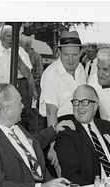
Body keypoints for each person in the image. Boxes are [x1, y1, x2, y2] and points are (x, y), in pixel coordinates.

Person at [0, 83, 75, 187]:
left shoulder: (15, 126)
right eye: (19, 103)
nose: (23, 106)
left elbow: (31, 145)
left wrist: (54, 129)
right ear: (6, 110)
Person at [54, 85, 110, 186]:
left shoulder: (108, 127)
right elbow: (71, 175)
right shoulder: (67, 133)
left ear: (95, 106)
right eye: (75, 102)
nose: (79, 107)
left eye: (85, 102)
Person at [39, 30, 86, 177]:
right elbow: (50, 113)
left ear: (81, 52)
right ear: (59, 52)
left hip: (78, 123)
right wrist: (53, 146)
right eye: (66, 55)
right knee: (64, 172)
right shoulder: (52, 75)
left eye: (75, 55)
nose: (71, 59)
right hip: (57, 125)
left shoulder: (81, 69)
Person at [19, 35, 44, 135]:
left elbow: (39, 74)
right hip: (24, 89)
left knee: (33, 114)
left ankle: (35, 137)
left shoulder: (36, 56)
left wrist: (32, 87)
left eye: (21, 45)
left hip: (34, 89)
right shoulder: (22, 54)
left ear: (27, 45)